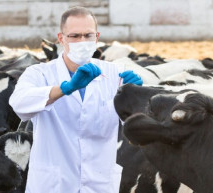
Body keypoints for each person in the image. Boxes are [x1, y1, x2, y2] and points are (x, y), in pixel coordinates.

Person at [9, 6, 143, 193]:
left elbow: (132, 124)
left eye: (88, 35)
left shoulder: (114, 74)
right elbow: (19, 105)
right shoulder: (40, 73)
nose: (82, 41)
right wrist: (65, 88)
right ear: (61, 38)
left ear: (97, 37)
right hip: (54, 185)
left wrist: (135, 96)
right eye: (74, 36)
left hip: (99, 183)